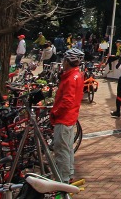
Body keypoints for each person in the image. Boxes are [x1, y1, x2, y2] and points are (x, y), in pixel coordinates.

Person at [49, 48, 84, 183]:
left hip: (64, 119)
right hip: (71, 117)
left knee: (61, 150)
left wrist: (55, 113)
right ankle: (68, 174)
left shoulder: (70, 78)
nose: (62, 63)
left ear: (69, 61)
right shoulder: (78, 75)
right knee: (68, 148)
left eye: (64, 60)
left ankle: (62, 180)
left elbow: (67, 101)